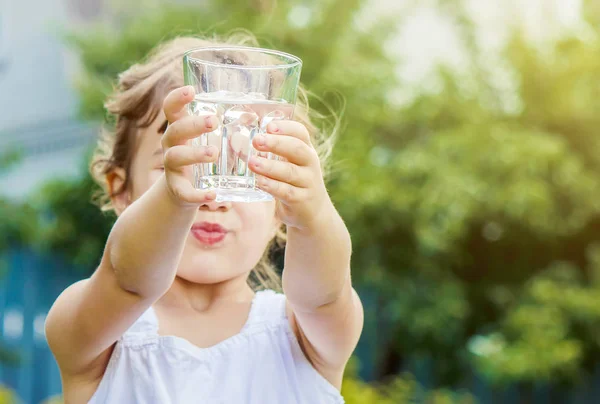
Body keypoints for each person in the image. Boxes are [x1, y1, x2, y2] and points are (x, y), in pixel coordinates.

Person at [45, 34, 363, 404]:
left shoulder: (305, 333)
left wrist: (315, 214)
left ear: (280, 207)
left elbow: (325, 294)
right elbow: (129, 280)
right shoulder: (96, 332)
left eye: (242, 165)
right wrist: (173, 198)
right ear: (122, 191)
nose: (213, 200)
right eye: (183, 162)